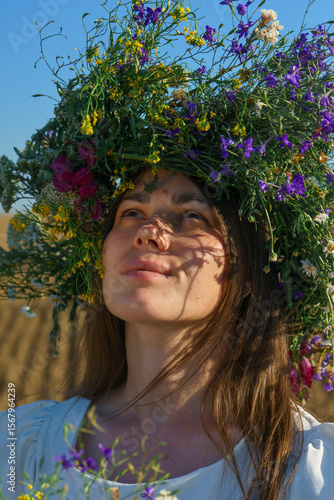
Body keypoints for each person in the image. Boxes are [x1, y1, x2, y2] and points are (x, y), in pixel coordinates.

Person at [1, 1, 334, 499]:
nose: (148, 232)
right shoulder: (17, 447)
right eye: (130, 212)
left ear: (250, 270)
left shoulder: (313, 468)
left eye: (192, 216)